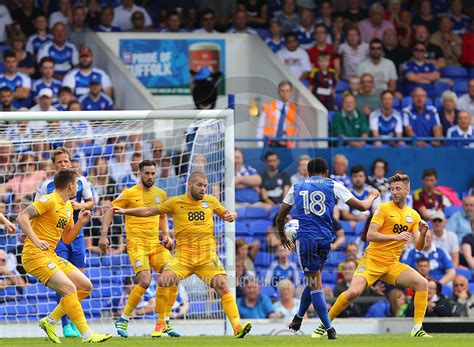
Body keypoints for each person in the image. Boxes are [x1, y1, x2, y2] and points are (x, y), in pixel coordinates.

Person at [111, 171, 252, 338]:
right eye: (200, 185)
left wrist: (232, 215)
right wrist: (126, 211)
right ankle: (161, 322)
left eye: (205, 186)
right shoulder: (176, 203)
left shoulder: (210, 201)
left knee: (222, 285)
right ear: (190, 185)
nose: (203, 189)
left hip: (206, 258)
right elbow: (149, 210)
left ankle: (236, 326)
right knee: (164, 280)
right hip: (183, 258)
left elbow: (228, 213)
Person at [311, 172, 433, 338]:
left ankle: (417, 329)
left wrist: (424, 233)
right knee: (353, 292)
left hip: (392, 265)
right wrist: (395, 237)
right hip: (372, 262)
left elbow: (419, 247)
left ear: (407, 190)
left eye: (398, 189)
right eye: (392, 189)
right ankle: (325, 324)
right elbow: (370, 235)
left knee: (422, 284)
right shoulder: (382, 209)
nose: (394, 192)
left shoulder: (414, 215)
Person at [277, 157, 380, 339]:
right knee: (314, 279)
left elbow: (280, 216)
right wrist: (372, 194)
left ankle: (329, 328)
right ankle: (299, 317)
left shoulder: (297, 186)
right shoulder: (333, 184)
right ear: (326, 173)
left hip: (306, 239)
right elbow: (364, 206)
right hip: (326, 239)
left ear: (307, 173)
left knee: (314, 283)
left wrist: (282, 235)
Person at [16, 168, 112, 343]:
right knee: (70, 288)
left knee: (85, 286)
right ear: (70, 185)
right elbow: (22, 217)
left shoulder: (68, 206)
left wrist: (81, 222)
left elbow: (67, 239)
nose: (78, 186)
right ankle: (87, 334)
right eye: (77, 183)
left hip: (50, 255)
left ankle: (50, 320)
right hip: (34, 255)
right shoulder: (48, 199)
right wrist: (36, 241)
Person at [100, 159, 179, 338]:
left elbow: (162, 216)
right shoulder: (129, 193)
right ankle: (124, 318)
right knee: (144, 281)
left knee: (172, 276)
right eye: (147, 173)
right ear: (139, 172)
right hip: (136, 245)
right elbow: (110, 211)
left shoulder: (161, 194)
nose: (150, 177)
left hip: (155, 244)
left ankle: (164, 321)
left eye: (153, 173)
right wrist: (104, 235)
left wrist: (166, 234)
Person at [35, 147, 94, 337]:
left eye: (66, 161)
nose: (63, 164)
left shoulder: (81, 181)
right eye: (60, 162)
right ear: (54, 165)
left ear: (70, 161)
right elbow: (34, 210)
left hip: (75, 234)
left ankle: (71, 320)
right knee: (64, 281)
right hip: (56, 238)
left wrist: (81, 206)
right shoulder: (47, 187)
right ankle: (66, 324)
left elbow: (91, 202)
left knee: (81, 282)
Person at [257, 80, 298, 148]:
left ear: (291, 92)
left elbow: (296, 130)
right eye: (282, 91)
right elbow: (260, 126)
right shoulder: (269, 106)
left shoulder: (294, 109)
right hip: (269, 143)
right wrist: (260, 144)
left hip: (287, 145)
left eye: (287, 91)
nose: (285, 93)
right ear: (278, 92)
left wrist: (293, 146)